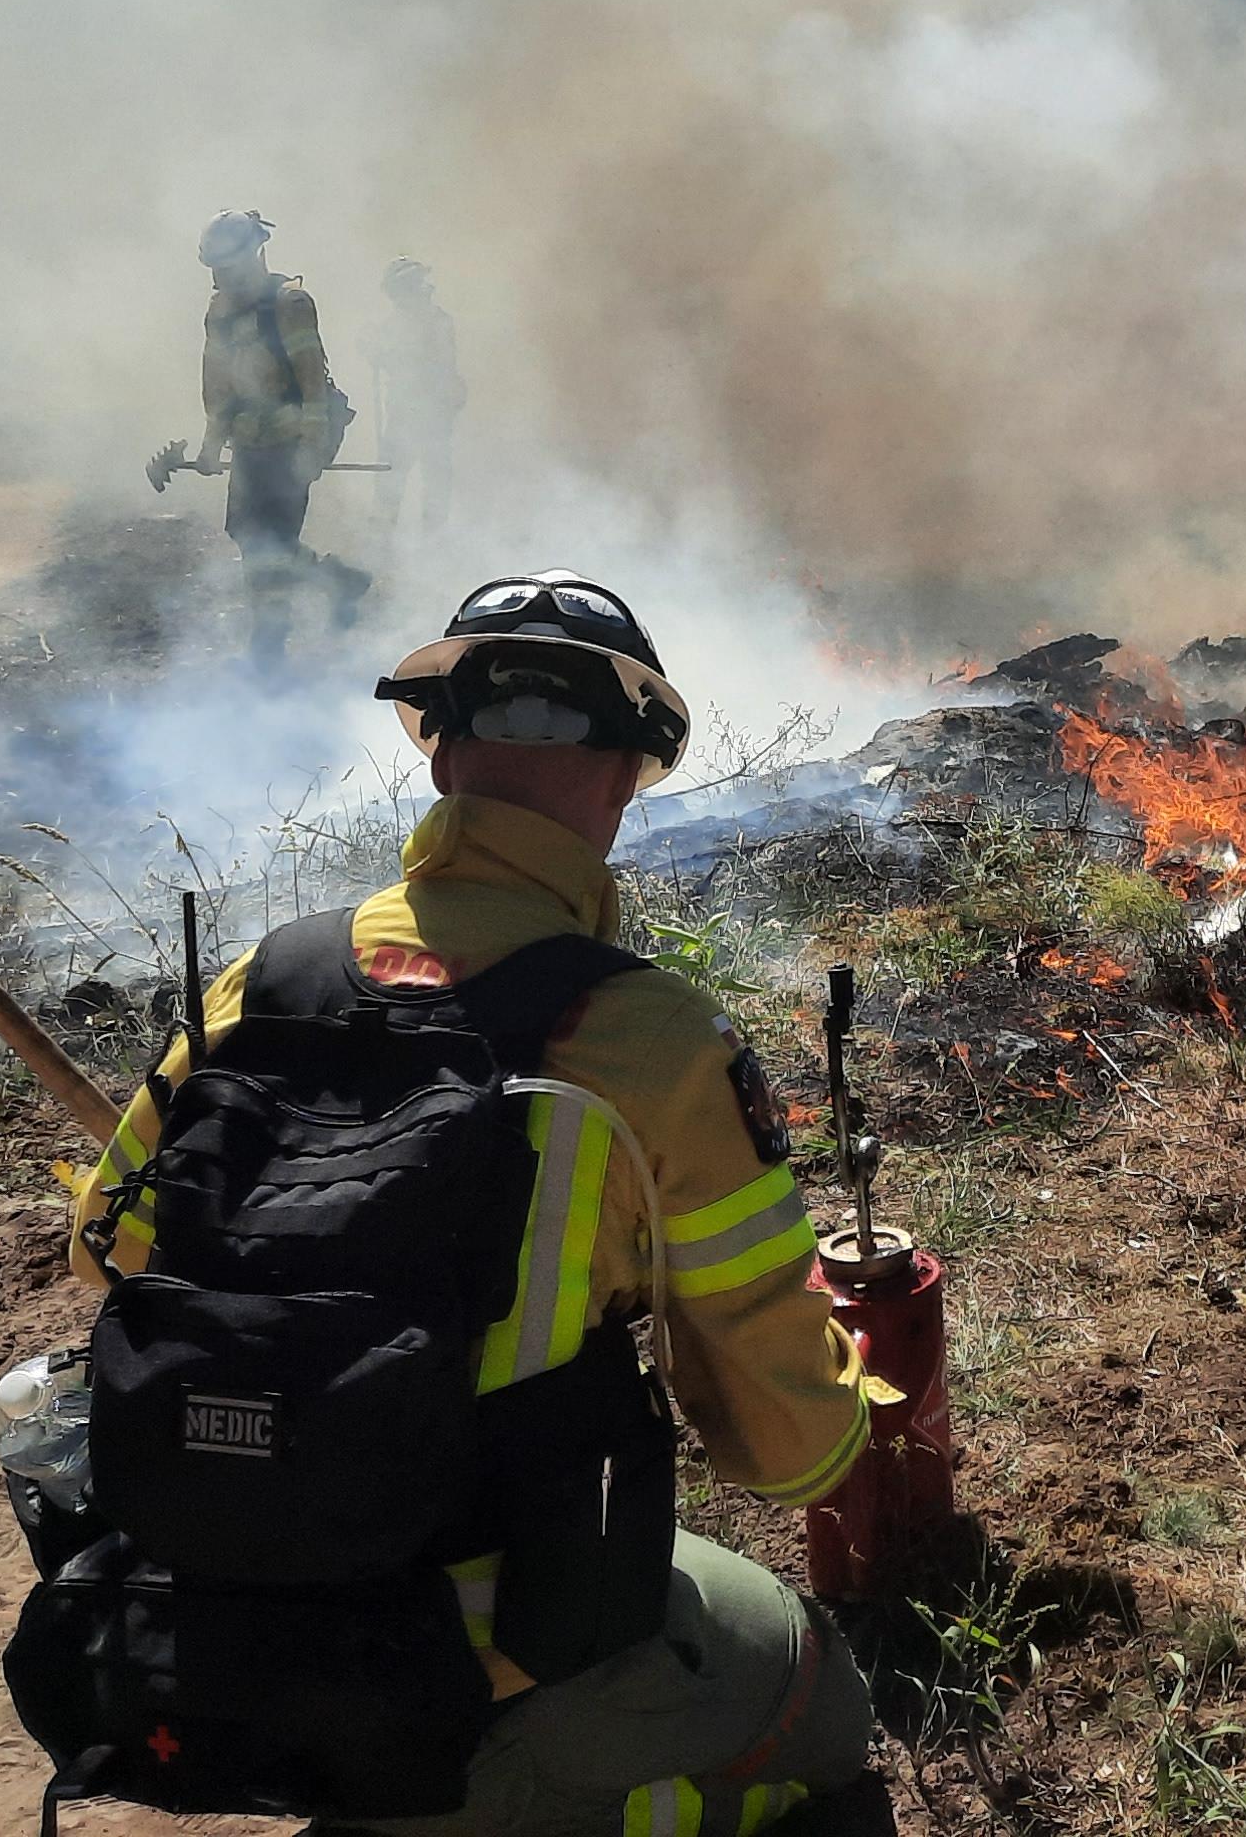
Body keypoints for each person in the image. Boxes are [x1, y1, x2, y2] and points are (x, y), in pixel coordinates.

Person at [61, 573, 884, 1837]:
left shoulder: (263, 979)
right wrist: (848, 1386)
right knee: (822, 1709)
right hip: (504, 1651)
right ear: (624, 778)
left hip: (224, 1606)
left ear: (438, 757)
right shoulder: (647, 1041)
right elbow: (788, 1456)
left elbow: (99, 1254)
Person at [168, 211, 373, 665]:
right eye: (214, 269)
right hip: (249, 444)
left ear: (255, 253)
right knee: (247, 535)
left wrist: (311, 450)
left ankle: (268, 650)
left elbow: (313, 385)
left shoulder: (290, 304)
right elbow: (217, 387)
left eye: (227, 266)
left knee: (271, 551)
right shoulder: (219, 312)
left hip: (290, 444)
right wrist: (209, 446)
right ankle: (336, 580)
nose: (220, 278)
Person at [379, 258, 469, 557]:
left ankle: (432, 543)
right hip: (405, 412)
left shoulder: (435, 322)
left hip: (430, 414)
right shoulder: (397, 322)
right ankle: (387, 538)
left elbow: (431, 364)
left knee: (434, 480)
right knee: (393, 478)